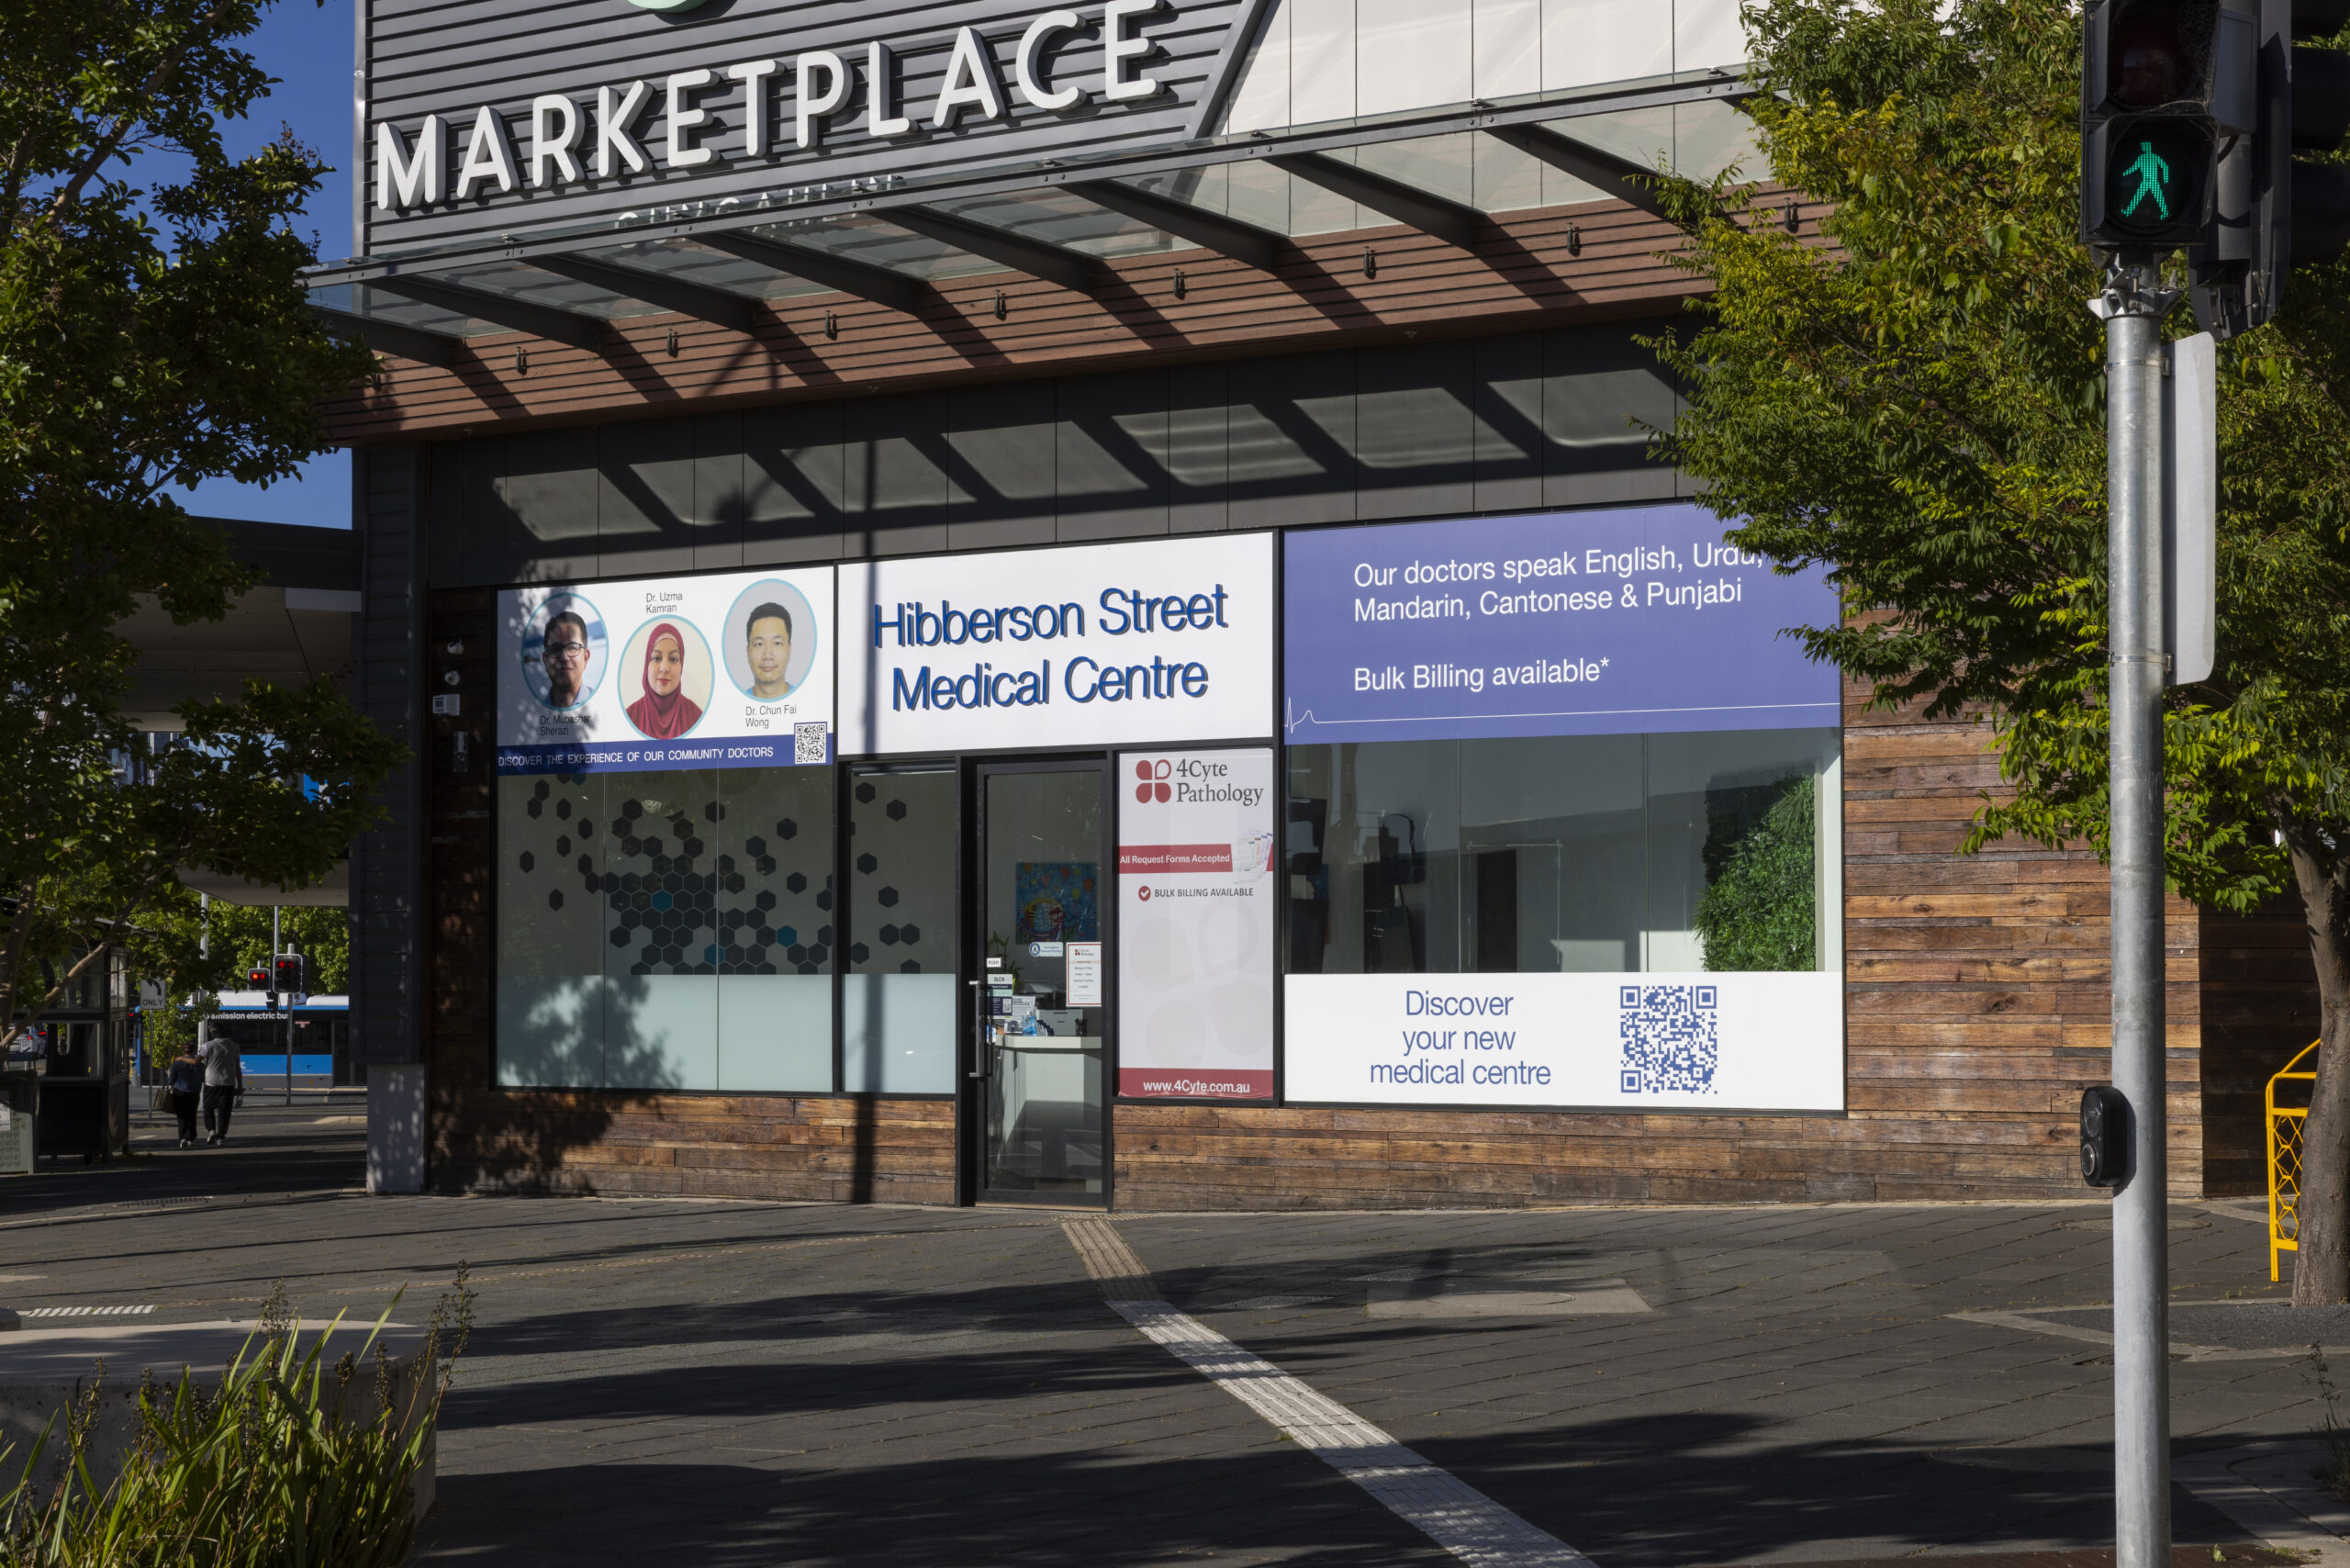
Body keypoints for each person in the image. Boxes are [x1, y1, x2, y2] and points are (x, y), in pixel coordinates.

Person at [624, 622, 703, 738]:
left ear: (681, 666)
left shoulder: (697, 717)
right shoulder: (629, 717)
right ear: (647, 665)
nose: (664, 668)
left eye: (673, 659)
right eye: (656, 658)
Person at [198, 1027, 241, 1146]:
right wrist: (240, 1086)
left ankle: (211, 1130)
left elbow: (197, 1060)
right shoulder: (235, 1046)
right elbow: (238, 1069)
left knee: (208, 1108)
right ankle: (221, 1137)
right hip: (228, 1083)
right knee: (225, 1111)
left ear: (213, 1032)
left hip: (211, 1083)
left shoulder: (208, 1046)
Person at [744, 602, 796, 700]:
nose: (767, 656)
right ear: (748, 652)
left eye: (777, 643)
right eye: (759, 644)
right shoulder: (736, 704)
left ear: (789, 650)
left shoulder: (805, 701)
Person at [542, 609, 592, 708]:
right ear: (545, 660)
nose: (564, 658)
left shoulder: (604, 707)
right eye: (555, 649)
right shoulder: (534, 710)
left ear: (585, 658)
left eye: (572, 647)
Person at [167, 1042, 203, 1148]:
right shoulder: (200, 1065)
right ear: (194, 1051)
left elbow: (171, 1080)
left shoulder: (176, 1064)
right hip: (194, 1092)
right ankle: (191, 1138)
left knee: (181, 1116)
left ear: (183, 1051)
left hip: (179, 1092)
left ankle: (183, 1138)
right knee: (192, 1115)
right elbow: (203, 1078)